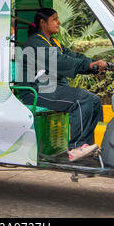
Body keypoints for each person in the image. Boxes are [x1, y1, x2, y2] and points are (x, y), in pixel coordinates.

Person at [19, 8, 107, 161]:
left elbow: (73, 56)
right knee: (82, 99)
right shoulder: (35, 43)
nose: (58, 22)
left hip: (49, 88)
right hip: (35, 91)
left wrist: (93, 65)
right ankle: (76, 147)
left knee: (94, 101)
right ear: (43, 23)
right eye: (54, 19)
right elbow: (61, 62)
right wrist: (88, 66)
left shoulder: (54, 43)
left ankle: (84, 146)